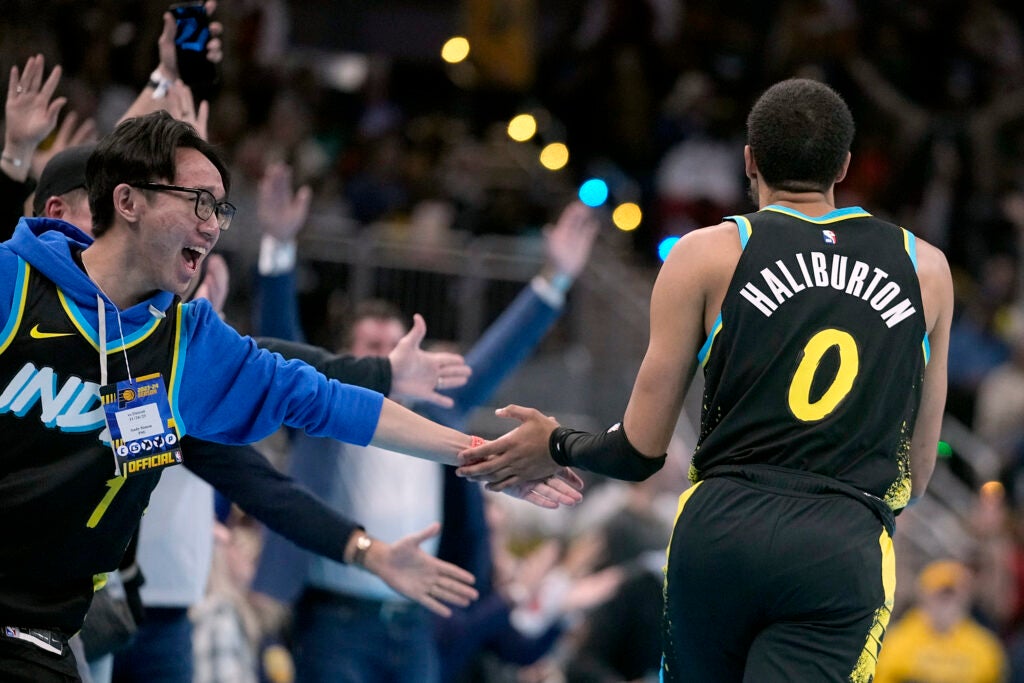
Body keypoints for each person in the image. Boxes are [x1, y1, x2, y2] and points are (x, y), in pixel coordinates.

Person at [0, 110, 581, 682]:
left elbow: (329, 400)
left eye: (221, 209)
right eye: (197, 201)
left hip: (41, 637)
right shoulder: (13, 283)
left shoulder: (188, 343)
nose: (212, 224)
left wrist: (485, 455)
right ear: (127, 201)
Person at [457, 77, 955, 682]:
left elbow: (640, 450)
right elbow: (920, 471)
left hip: (721, 529)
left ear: (748, 159)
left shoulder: (706, 253)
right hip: (840, 539)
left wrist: (558, 443)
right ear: (845, 166)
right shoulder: (925, 266)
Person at [251, 189, 600, 683]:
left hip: (416, 621)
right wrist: (278, 249)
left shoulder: (437, 411)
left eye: (397, 345)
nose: (392, 357)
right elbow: (276, 336)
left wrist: (556, 276)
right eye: (373, 347)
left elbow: (500, 352)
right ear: (347, 356)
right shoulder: (325, 409)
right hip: (335, 619)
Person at [873, 559, 1008, 683]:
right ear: (923, 597)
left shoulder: (984, 647)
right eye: (941, 596)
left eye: (953, 596)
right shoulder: (895, 642)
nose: (947, 605)